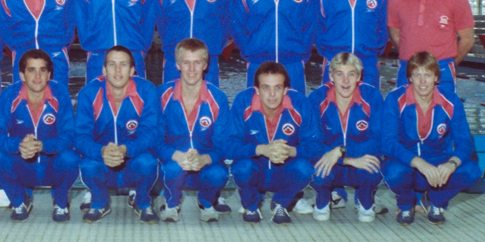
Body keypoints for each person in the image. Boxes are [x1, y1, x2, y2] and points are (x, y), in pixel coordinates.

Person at [381, 51, 481, 225]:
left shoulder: (450, 101)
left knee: (472, 171)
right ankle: (406, 203)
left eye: (427, 75)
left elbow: (464, 141)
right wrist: (417, 162)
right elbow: (387, 143)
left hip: (436, 161)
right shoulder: (395, 99)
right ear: (409, 78)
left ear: (436, 77)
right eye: (416, 75)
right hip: (407, 163)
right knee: (393, 172)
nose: (422, 82)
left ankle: (434, 201)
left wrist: (451, 164)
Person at [0, 49, 79, 223]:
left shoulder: (60, 94)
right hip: (23, 164)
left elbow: (70, 135)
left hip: (51, 164)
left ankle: (60, 201)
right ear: (21, 75)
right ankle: (20, 200)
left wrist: (43, 145)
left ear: (49, 74)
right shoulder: (10, 95)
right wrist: (18, 145)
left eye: (42, 70)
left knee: (70, 158)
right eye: (31, 70)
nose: (37, 76)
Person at [225, 62, 320, 224]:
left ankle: (281, 202)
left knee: (305, 168)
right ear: (256, 90)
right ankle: (251, 204)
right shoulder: (243, 101)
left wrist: (291, 151)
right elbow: (228, 145)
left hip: (284, 169)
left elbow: (317, 145)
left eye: (277, 88)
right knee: (242, 167)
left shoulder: (300, 104)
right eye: (265, 87)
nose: (272, 94)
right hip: (257, 169)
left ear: (285, 90)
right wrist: (260, 149)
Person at [75, 46, 161, 223]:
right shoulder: (89, 93)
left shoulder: (146, 91)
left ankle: (142, 201)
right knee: (87, 163)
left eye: (123, 64)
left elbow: (152, 133)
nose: (117, 70)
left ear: (132, 70)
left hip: (133, 160)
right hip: (103, 161)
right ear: (104, 70)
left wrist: (125, 149)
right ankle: (99, 201)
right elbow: (80, 136)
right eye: (112, 64)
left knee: (149, 162)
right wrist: (102, 151)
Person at [156, 38, 230, 223]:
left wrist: (204, 158)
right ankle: (172, 202)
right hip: (173, 164)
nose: (191, 69)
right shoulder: (162, 94)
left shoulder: (217, 98)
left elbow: (223, 145)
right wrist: (177, 155)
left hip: (204, 165)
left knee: (219, 173)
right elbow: (153, 139)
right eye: (186, 63)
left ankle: (205, 201)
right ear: (177, 65)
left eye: (197, 63)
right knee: (171, 169)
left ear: (205, 65)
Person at [387, 0, 475, 94]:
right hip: (408, 67)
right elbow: (394, 33)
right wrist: (411, 56)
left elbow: (467, 39)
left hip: (442, 69)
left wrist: (450, 65)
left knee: (442, 117)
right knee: (407, 116)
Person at [308, 52, 383, 222]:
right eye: (340, 74)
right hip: (331, 162)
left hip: (361, 161)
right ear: (331, 76)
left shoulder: (372, 97)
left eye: (351, 74)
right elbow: (312, 143)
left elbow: (378, 141)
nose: (346, 81)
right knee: (316, 171)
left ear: (359, 77)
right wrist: (345, 159)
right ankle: (322, 200)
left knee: (372, 167)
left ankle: (365, 201)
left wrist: (343, 151)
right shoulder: (317, 98)